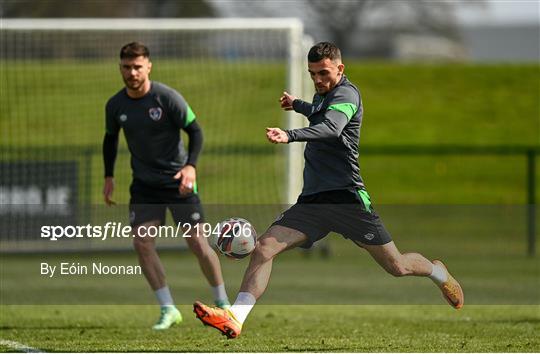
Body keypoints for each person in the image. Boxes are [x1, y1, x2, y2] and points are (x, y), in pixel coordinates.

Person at [192, 42, 464, 339]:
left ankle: (438, 272)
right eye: (312, 74)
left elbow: (332, 127)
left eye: (324, 73)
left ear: (340, 68)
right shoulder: (323, 96)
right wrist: (298, 105)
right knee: (265, 247)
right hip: (313, 202)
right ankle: (235, 317)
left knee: (397, 265)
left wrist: (290, 134)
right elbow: (320, 113)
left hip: (348, 199)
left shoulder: (347, 94)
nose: (318, 80)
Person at [102, 42, 230, 330]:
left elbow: (195, 132)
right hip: (145, 186)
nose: (132, 72)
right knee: (142, 243)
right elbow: (110, 139)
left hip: (178, 182)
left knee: (198, 243)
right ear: (120, 68)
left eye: (137, 66)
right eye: (126, 67)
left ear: (148, 66)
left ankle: (222, 302)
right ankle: (168, 309)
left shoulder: (166, 98)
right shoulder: (115, 105)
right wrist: (108, 177)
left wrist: (190, 167)